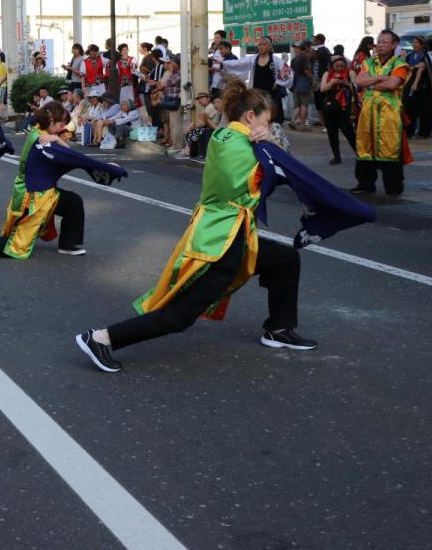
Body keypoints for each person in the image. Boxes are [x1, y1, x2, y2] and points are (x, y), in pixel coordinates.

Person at [74, 78, 319, 374]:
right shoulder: (243, 146)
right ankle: (102, 338)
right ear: (251, 117)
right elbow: (271, 178)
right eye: (267, 121)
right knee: (180, 314)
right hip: (220, 241)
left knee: (284, 259)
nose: (269, 127)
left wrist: (266, 146)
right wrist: (270, 149)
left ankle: (279, 328)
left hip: (231, 231)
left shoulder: (224, 135)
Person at [0, 102, 117, 259]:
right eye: (60, 125)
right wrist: (106, 167)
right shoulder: (40, 139)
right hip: (34, 195)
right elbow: (72, 158)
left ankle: (68, 244)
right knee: (17, 245)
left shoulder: (41, 132)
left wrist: (57, 139)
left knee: (73, 202)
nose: (62, 129)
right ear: (51, 120)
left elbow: (68, 154)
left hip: (40, 190)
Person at [352, 30, 410, 196]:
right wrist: (380, 78)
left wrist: (370, 82)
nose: (381, 44)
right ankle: (365, 183)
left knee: (390, 149)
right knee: (365, 147)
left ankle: (393, 187)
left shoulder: (399, 64)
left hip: (389, 115)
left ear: (394, 45)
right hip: (368, 113)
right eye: (379, 41)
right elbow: (359, 80)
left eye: (385, 41)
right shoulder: (369, 62)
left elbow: (392, 84)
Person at [220, 37, 285, 122]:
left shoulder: (276, 60)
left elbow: (288, 72)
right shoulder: (254, 59)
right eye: (259, 45)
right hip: (257, 94)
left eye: (264, 45)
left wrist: (278, 81)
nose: (261, 47)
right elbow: (239, 63)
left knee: (272, 117)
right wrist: (223, 63)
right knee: (258, 115)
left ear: (269, 46)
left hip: (271, 94)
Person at [319, 55, 358, 165]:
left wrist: (346, 84)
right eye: (337, 66)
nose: (339, 68)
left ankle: (360, 155)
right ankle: (337, 157)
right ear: (332, 66)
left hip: (344, 108)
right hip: (330, 107)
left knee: (350, 133)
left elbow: (356, 88)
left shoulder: (350, 73)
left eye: (342, 66)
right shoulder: (327, 74)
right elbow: (322, 89)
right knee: (332, 133)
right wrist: (333, 82)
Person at [403, 36, 432, 139]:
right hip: (410, 86)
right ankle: (409, 132)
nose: (414, 44)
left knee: (425, 112)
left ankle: (423, 133)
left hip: (424, 87)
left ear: (422, 44)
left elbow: (431, 71)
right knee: (409, 110)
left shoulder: (427, 56)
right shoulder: (409, 56)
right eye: (413, 42)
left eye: (417, 43)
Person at [182, 91, 220, 161]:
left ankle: (188, 151)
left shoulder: (210, 107)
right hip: (210, 127)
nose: (199, 100)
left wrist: (192, 125)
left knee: (195, 131)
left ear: (208, 98)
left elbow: (202, 123)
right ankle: (188, 150)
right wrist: (193, 124)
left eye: (202, 98)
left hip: (212, 128)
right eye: (198, 99)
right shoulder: (206, 107)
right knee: (194, 130)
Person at [289, 41, 315, 130]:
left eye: (296, 47)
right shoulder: (304, 57)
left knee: (298, 106)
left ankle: (292, 121)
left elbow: (291, 72)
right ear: (306, 47)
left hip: (295, 84)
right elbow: (307, 71)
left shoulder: (294, 59)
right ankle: (302, 125)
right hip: (303, 82)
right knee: (304, 105)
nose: (295, 49)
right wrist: (313, 80)